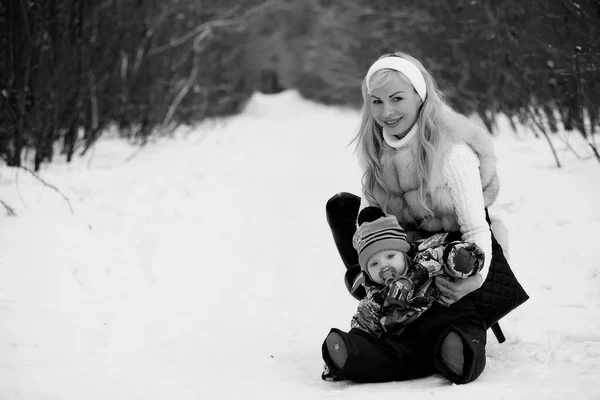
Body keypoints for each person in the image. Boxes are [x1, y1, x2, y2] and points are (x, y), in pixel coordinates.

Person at [322, 51, 503, 384]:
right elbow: (367, 215)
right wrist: (369, 268)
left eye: (397, 99)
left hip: (451, 266)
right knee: (341, 207)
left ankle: (454, 349)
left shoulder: (452, 152)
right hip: (402, 266)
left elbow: (477, 228)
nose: (387, 112)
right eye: (376, 102)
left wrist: (470, 282)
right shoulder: (378, 151)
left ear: (419, 97)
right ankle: (364, 339)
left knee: (452, 334)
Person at [348, 206, 484, 340]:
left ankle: (459, 351)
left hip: (442, 316)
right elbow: (365, 322)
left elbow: (444, 254)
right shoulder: (374, 297)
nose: (383, 266)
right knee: (381, 346)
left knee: (462, 332)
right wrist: (357, 338)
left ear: (403, 252)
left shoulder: (423, 258)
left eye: (390, 256)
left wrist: (462, 259)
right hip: (409, 338)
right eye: (374, 264)